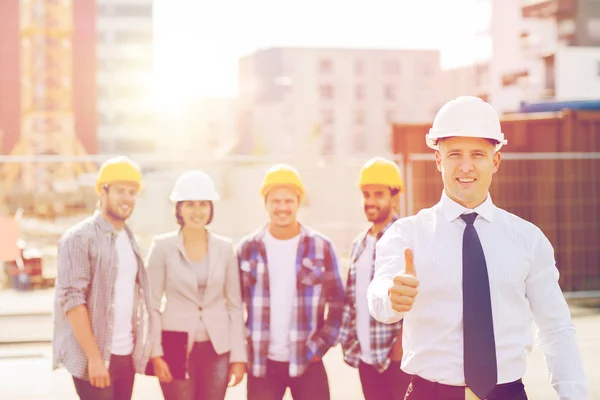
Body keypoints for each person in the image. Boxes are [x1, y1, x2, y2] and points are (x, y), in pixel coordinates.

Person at [368, 96, 588, 400]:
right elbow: (380, 299)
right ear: (438, 160)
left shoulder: (528, 239)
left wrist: (574, 395)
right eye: (454, 154)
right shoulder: (406, 235)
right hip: (430, 393)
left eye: (478, 154)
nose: (466, 166)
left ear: (495, 161)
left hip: (507, 393)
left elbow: (556, 328)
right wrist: (392, 297)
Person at [237, 164, 345, 400]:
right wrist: (244, 346)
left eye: (288, 201)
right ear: (265, 203)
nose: (282, 207)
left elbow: (338, 302)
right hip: (262, 364)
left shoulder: (320, 246)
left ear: (298, 202)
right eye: (276, 201)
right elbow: (234, 305)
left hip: (307, 359)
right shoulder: (248, 248)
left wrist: (320, 346)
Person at [53, 156, 153, 400]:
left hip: (124, 355)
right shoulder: (79, 237)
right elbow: (73, 300)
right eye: (120, 191)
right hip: (96, 358)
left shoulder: (131, 240)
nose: (127, 198)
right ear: (102, 191)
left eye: (132, 192)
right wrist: (94, 359)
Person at [146, 170, 246, 400]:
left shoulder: (225, 248)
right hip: (174, 344)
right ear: (179, 208)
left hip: (217, 347)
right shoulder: (162, 247)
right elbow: (150, 304)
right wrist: (155, 353)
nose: (197, 211)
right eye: (190, 204)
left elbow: (234, 305)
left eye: (203, 204)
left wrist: (238, 357)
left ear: (211, 208)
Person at [338, 157, 411, 400]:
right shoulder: (359, 243)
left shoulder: (406, 237)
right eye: (366, 194)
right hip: (367, 358)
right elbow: (352, 300)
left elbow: (417, 297)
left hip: (396, 360)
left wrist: (400, 348)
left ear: (394, 196)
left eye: (378, 194)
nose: (370, 201)